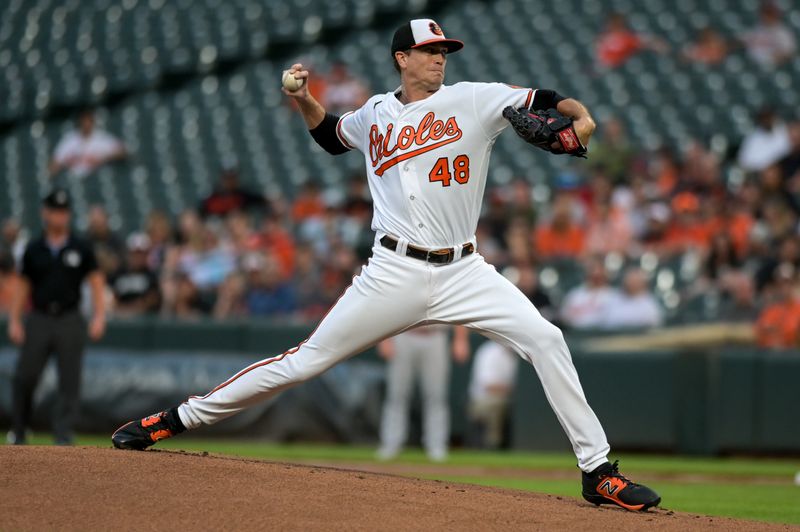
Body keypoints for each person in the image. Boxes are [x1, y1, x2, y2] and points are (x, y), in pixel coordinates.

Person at [112, 18, 660, 512]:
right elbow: (330, 137)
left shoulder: (474, 99)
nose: (440, 57)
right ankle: (176, 419)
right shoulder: (375, 112)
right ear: (402, 58)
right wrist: (304, 98)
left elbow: (549, 98)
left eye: (444, 50)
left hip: (465, 270)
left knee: (547, 339)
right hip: (392, 272)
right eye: (429, 50)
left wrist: (581, 119)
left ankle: (598, 472)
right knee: (304, 363)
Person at [7, 190, 106, 445]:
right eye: (55, 211)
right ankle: (19, 430)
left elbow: (96, 281)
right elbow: (23, 285)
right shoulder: (34, 248)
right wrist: (15, 320)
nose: (60, 216)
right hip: (39, 317)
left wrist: (99, 316)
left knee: (69, 380)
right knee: (25, 375)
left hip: (69, 318)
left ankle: (63, 434)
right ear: (45, 213)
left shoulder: (80, 246)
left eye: (64, 212)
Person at [377, 326, 469, 462]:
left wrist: (461, 339)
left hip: (435, 334)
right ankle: (391, 444)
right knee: (397, 395)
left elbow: (456, 305)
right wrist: (384, 339)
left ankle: (437, 446)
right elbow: (387, 305)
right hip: (403, 333)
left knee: (436, 396)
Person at [49, 109, 127, 179]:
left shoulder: (101, 137)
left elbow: (122, 152)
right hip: (73, 179)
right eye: (83, 122)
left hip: (97, 178)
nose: (86, 125)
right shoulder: (70, 139)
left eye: (88, 121)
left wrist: (103, 158)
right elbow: (55, 162)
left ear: (93, 122)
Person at [739, 3, 797, 67]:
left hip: (774, 67)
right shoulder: (756, 29)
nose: (766, 18)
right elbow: (741, 42)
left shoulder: (783, 33)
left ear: (775, 16)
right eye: (765, 15)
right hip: (753, 65)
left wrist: (779, 57)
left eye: (769, 15)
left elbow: (789, 54)